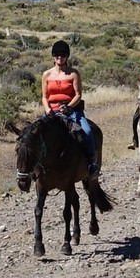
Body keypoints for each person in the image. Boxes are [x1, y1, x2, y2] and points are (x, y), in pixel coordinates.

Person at [41, 39, 98, 176]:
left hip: (72, 111)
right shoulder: (46, 75)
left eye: (62, 55)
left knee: (88, 131)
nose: (59, 58)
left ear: (67, 56)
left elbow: (78, 95)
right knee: (34, 135)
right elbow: (44, 96)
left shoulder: (73, 74)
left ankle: (91, 163)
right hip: (52, 111)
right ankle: (33, 168)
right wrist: (48, 110)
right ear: (53, 57)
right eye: (57, 55)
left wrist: (69, 107)